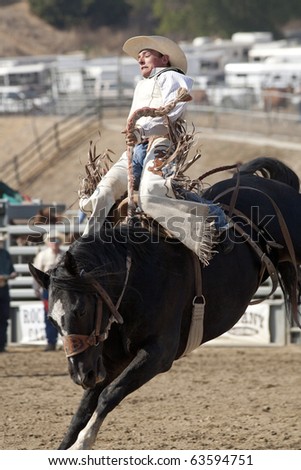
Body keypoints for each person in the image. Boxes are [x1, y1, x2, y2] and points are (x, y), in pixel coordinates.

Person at [80, 36, 231, 261]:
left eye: (146, 54)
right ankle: (87, 250)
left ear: (164, 58)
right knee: (102, 193)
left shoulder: (172, 76)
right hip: (136, 149)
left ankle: (215, 219)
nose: (140, 59)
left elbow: (172, 111)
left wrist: (141, 131)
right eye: (139, 57)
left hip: (162, 143)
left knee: (152, 193)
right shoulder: (142, 84)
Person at [33, 232, 64, 351]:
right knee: (49, 315)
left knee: (63, 315)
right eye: (52, 240)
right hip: (48, 289)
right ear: (48, 242)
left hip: (62, 289)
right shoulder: (42, 255)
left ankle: (62, 341)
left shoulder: (64, 255)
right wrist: (36, 288)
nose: (54, 242)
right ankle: (51, 342)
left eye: (56, 240)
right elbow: (36, 273)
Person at [0, 233, 17, 353]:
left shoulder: (5, 254)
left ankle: (2, 344)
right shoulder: (5, 254)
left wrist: (11, 275)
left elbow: (12, 270)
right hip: (4, 286)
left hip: (4, 288)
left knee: (4, 317)